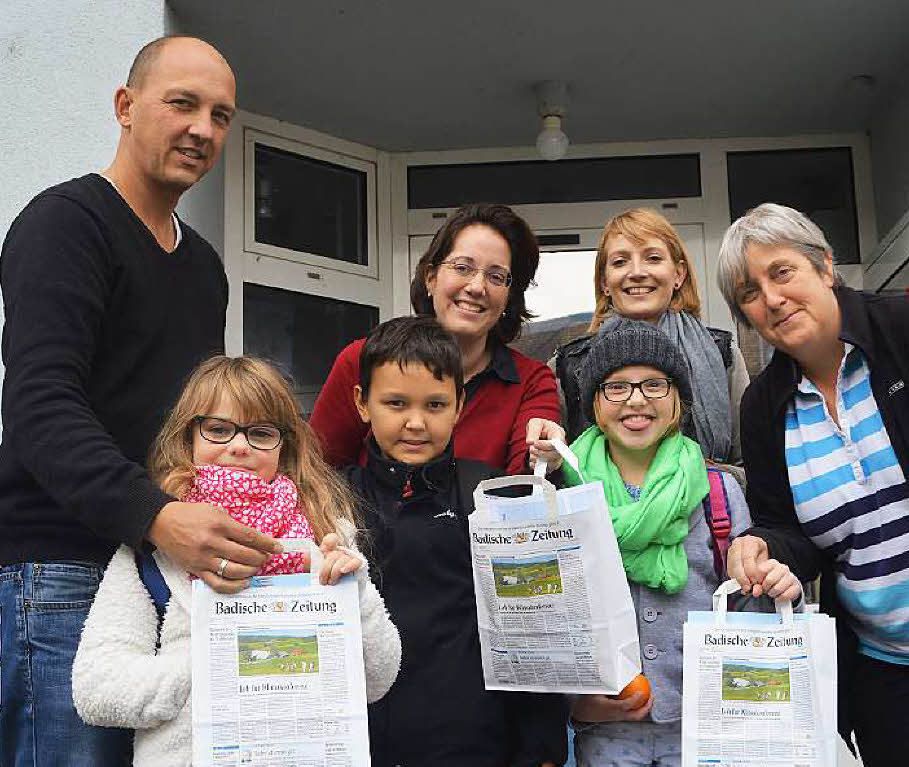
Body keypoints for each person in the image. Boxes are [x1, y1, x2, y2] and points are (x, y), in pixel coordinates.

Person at [0, 36, 280, 767]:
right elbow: (40, 405)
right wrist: (157, 515)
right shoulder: (66, 224)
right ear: (125, 107)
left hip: (157, 572)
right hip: (59, 571)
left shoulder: (204, 267)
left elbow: (197, 427)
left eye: (221, 116)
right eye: (182, 103)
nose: (203, 130)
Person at [717, 202, 909, 767]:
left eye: (782, 272)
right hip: (893, 686)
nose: (772, 298)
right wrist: (763, 547)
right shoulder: (763, 407)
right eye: (749, 293)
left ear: (825, 266)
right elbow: (789, 528)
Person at [71, 356, 401, 767]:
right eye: (218, 429)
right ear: (188, 436)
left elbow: (379, 678)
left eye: (261, 432)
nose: (239, 445)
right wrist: (220, 659)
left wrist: (358, 593)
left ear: (286, 447)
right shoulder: (152, 547)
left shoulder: (325, 532)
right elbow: (96, 689)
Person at [534, 320, 799, 767]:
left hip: (706, 730)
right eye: (616, 387)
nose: (636, 400)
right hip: (606, 734)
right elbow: (545, 621)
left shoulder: (718, 492)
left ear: (678, 399)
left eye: (655, 384)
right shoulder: (564, 500)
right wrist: (573, 702)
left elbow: (749, 606)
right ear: (594, 403)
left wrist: (772, 583)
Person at [344, 316, 568, 767]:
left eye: (434, 404)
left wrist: (541, 743)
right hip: (365, 739)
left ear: (459, 405)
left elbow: (530, 622)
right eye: (395, 403)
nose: (415, 422)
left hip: (473, 735)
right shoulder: (336, 499)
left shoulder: (488, 494)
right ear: (362, 403)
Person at [311, 202, 562, 476]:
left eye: (496, 276)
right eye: (463, 267)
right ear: (431, 278)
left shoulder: (531, 381)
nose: (477, 287)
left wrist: (545, 455)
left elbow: (526, 482)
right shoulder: (362, 361)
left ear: (509, 297)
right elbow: (316, 471)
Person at [550, 208, 748, 463]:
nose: (637, 272)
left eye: (653, 258)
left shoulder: (723, 353)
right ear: (604, 283)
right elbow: (555, 467)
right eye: (620, 262)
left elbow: (747, 460)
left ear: (678, 275)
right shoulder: (567, 365)